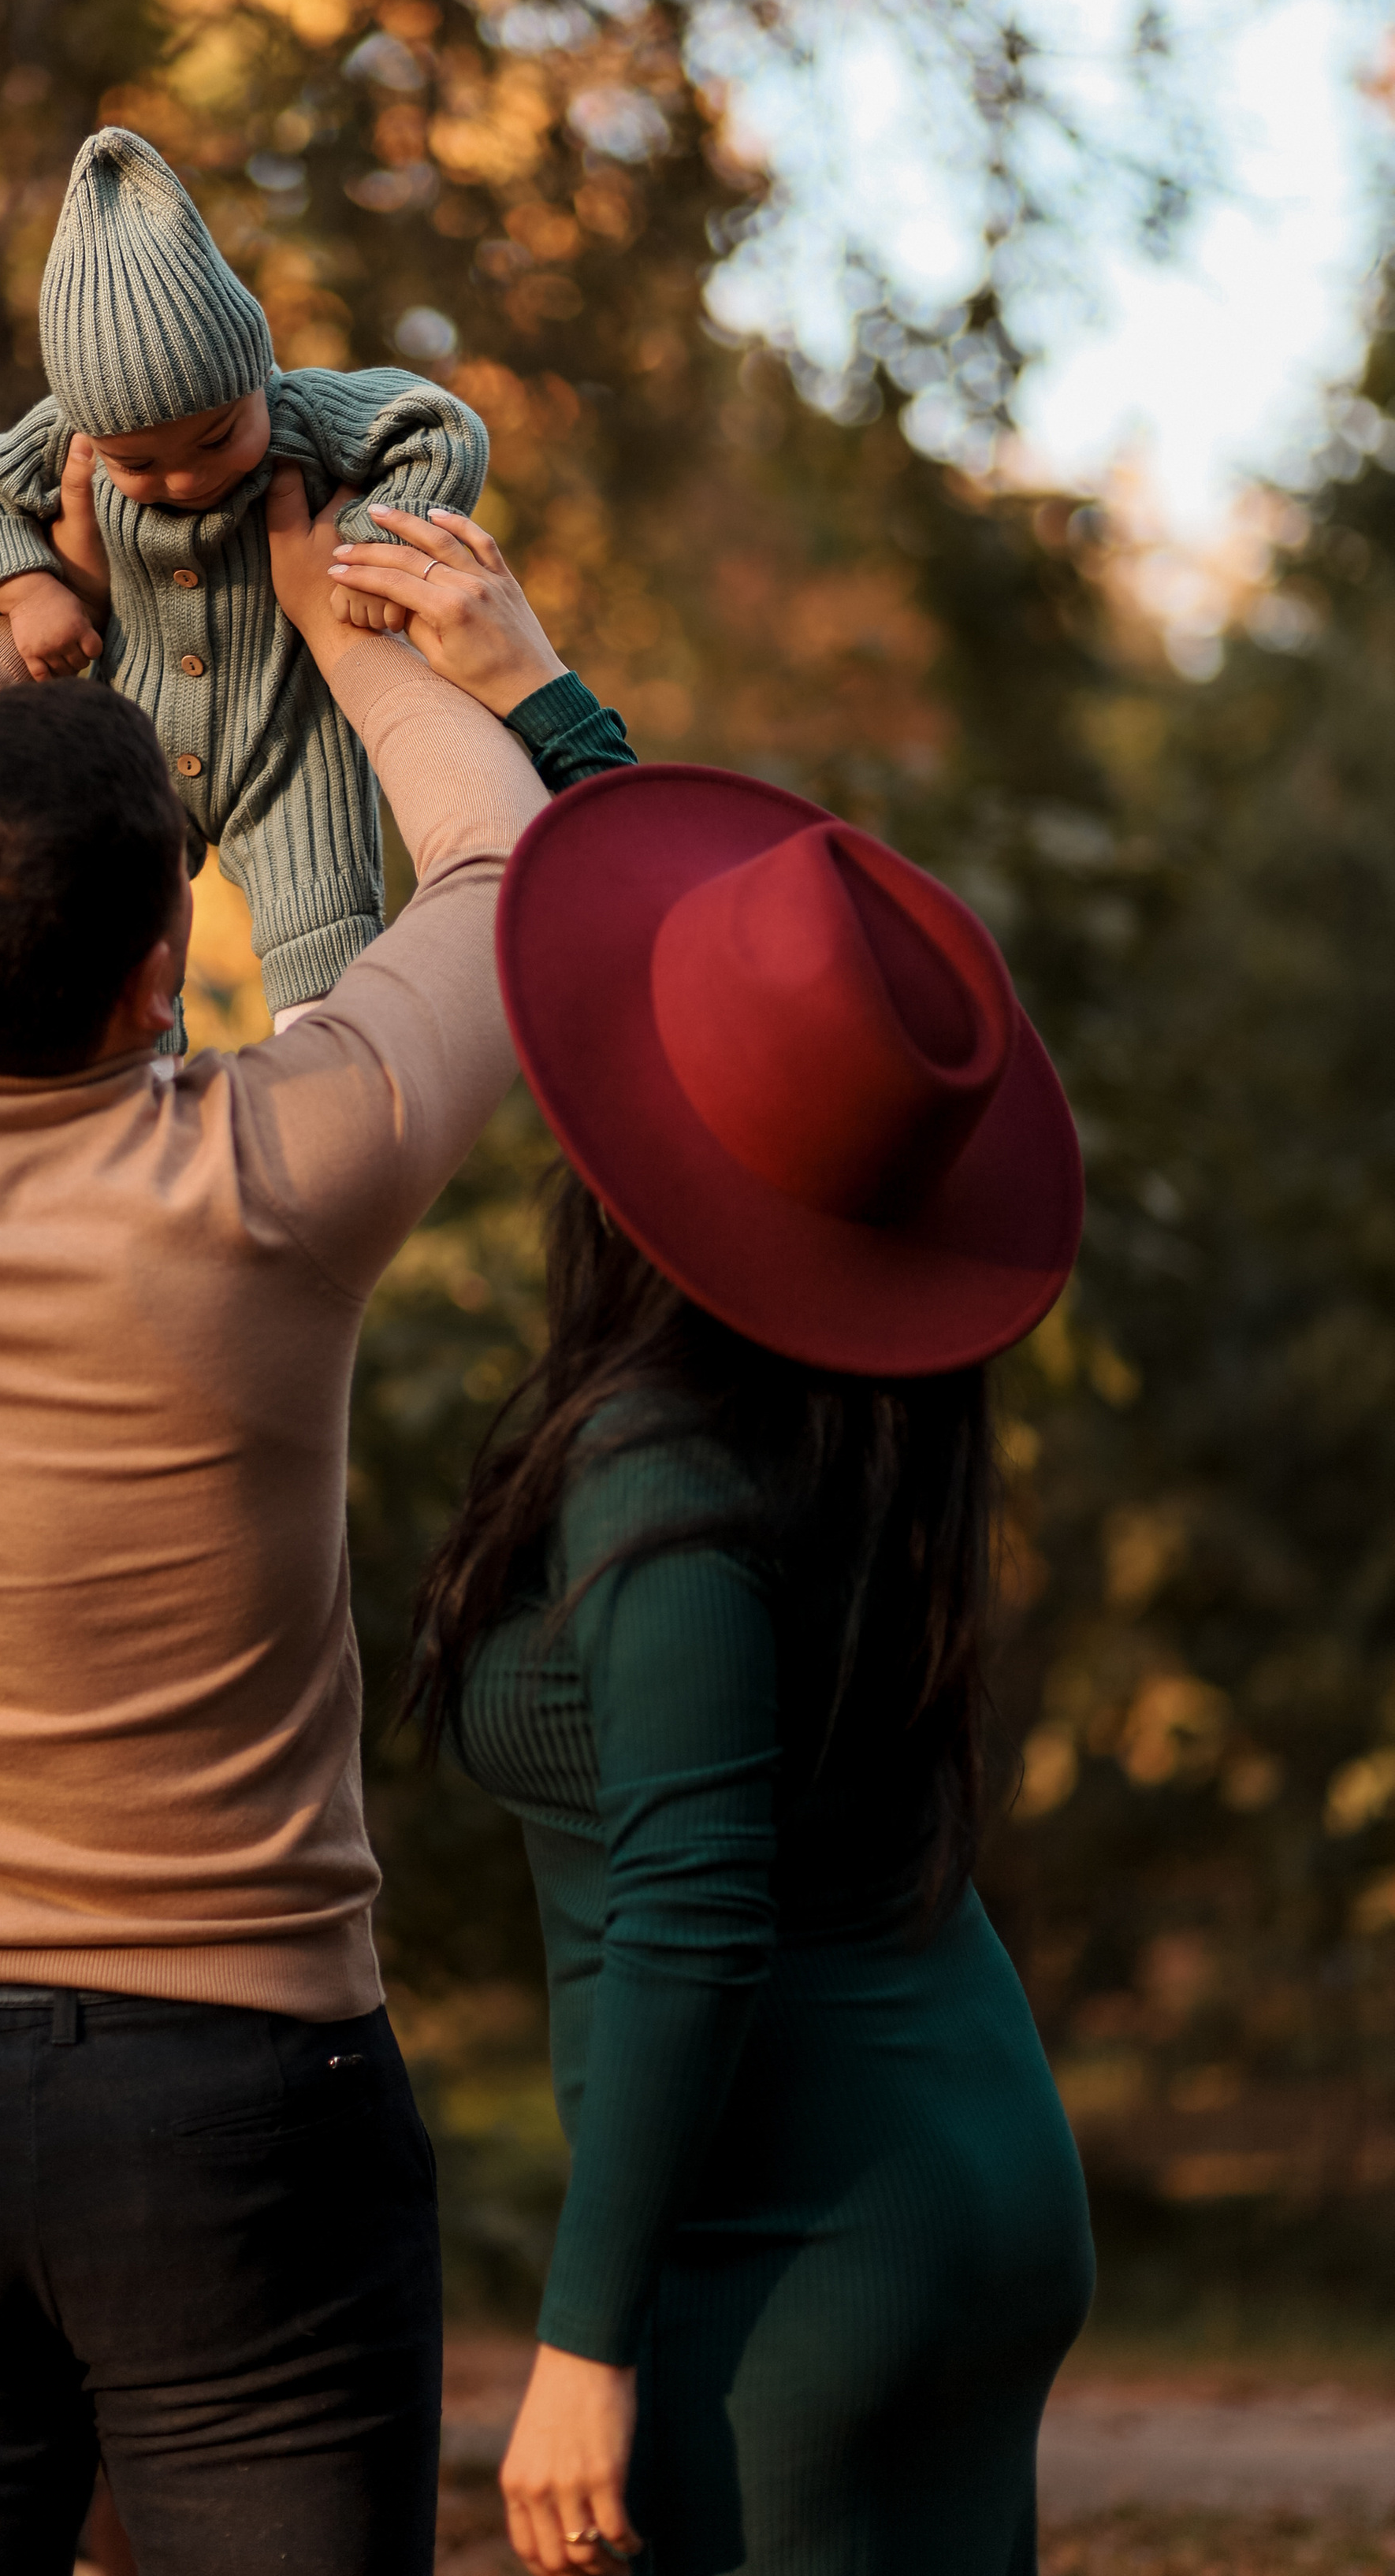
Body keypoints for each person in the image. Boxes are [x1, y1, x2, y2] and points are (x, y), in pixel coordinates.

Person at [0, 475, 624, 2576]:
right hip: (239, 2114)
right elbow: (498, 856)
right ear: (161, 967)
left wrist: (23, 620)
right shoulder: (272, 1177)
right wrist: (338, 616)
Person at [370, 741, 1098, 2576]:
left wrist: (580, 2338)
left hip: (793, 2236)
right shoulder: (871, 1396)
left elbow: (692, 1905)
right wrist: (522, 684)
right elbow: (797, 980)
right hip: (971, 2151)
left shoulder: (660, 1470)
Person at [0, 124, 492, 1035]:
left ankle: (328, 1092)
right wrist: (32, 590)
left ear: (254, 378)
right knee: (106, 928)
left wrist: (359, 548)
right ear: (89, 433)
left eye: (215, 437)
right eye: (139, 464)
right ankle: (132, 1085)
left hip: (290, 739)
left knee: (323, 932)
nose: (187, 478)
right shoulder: (65, 436)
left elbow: (442, 428)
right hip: (131, 738)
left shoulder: (307, 411)